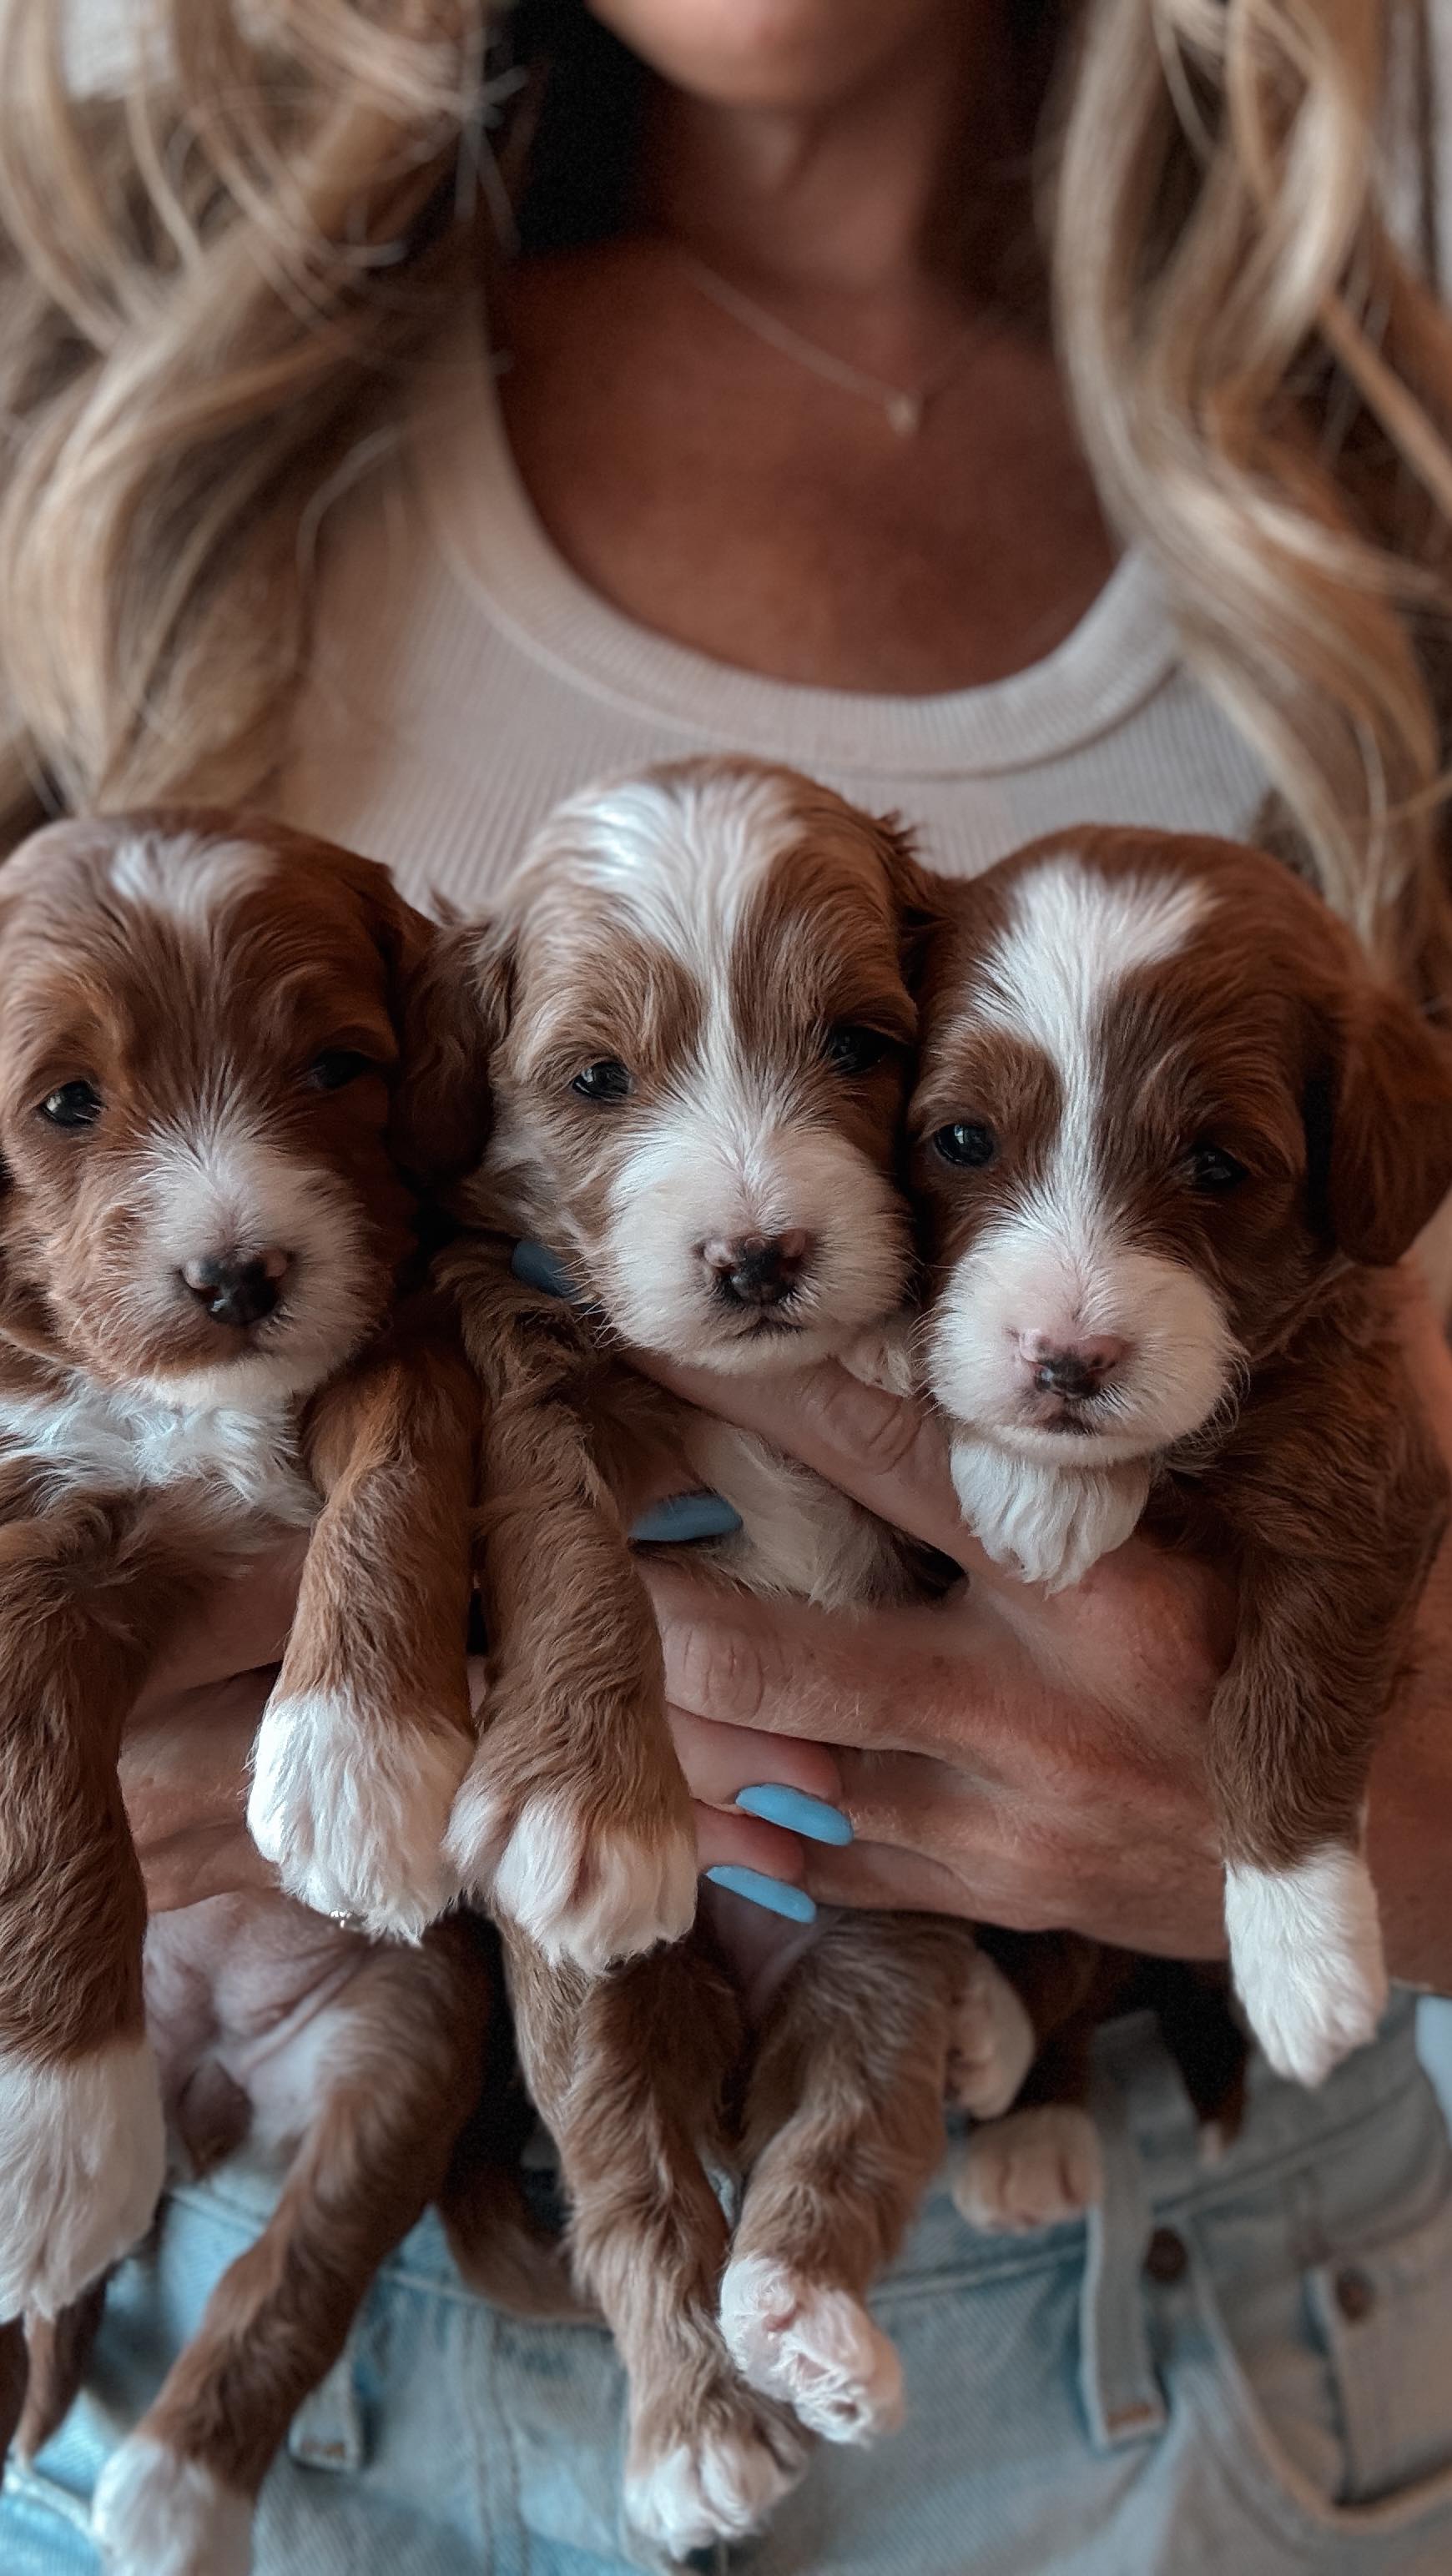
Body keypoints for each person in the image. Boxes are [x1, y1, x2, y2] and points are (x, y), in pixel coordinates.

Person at [3, 1, 1452, 2568]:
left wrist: (1412, 1823)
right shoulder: (98, 315)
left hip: (1142, 2290)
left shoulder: (1379, 460)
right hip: (227, 2218)